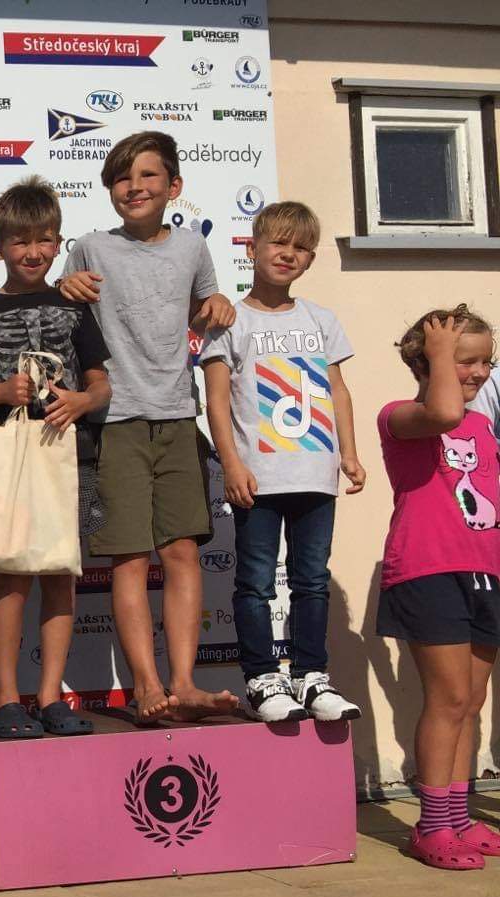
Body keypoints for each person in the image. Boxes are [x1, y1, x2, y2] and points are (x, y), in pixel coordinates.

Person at [59, 130, 237, 721]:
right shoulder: (89, 247)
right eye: (121, 178)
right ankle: (146, 687)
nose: (134, 187)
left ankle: (184, 683)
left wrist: (219, 305)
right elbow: (63, 314)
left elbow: (206, 312)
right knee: (130, 559)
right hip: (115, 421)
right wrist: (63, 286)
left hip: (178, 416)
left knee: (182, 551)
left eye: (147, 175)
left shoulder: (192, 247)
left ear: (174, 186)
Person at [0, 177, 111, 737]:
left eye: (44, 240)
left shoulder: (75, 307)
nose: (33, 252)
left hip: (69, 455)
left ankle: (51, 697)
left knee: (61, 573)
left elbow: (101, 384)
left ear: (58, 243)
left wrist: (82, 401)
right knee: (12, 574)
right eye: (20, 242)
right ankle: (6, 698)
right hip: (7, 458)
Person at [202, 201, 366, 723]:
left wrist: (349, 453)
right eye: (278, 243)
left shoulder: (321, 318)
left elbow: (338, 390)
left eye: (300, 248)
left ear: (311, 259)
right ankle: (262, 678)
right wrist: (231, 463)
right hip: (259, 476)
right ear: (252, 249)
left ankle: (312, 676)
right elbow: (216, 400)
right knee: (255, 582)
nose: (288, 254)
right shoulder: (230, 322)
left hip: (315, 474)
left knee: (311, 580)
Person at [376, 307, 500, 870]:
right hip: (428, 571)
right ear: (428, 361)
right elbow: (444, 410)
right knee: (447, 699)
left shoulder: (483, 426)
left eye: (486, 362)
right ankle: (431, 826)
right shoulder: (401, 416)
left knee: (470, 702)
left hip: (484, 571)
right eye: (466, 360)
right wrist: (441, 353)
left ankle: (458, 818)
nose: (479, 373)